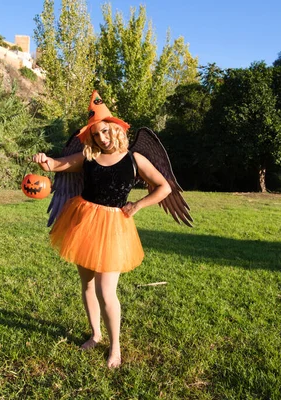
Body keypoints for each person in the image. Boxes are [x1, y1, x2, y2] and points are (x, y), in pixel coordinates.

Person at [32, 90, 172, 368]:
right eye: (96, 135)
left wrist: (138, 205)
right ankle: (95, 334)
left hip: (114, 228)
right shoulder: (88, 158)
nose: (102, 138)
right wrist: (44, 161)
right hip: (84, 221)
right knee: (86, 284)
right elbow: (57, 165)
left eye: (105, 132)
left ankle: (115, 347)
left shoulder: (134, 160)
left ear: (116, 129)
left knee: (106, 290)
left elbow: (164, 187)